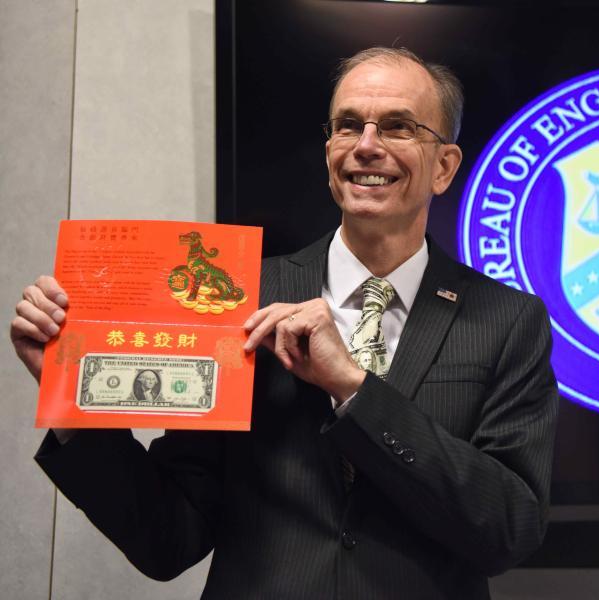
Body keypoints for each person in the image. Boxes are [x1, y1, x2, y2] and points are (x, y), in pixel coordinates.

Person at [10, 47, 558, 599]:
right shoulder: (235, 297)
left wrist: (352, 387)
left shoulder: (508, 320)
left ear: (444, 166)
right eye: (349, 126)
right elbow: (168, 538)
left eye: (398, 127)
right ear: (329, 155)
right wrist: (68, 396)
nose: (367, 146)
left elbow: (508, 530)